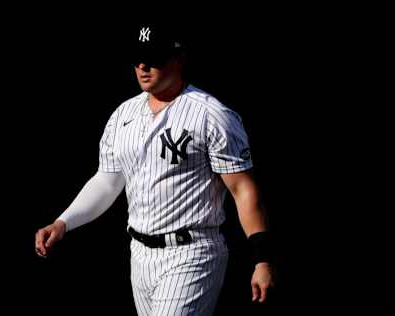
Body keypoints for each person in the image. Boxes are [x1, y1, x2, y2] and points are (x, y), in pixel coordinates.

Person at [35, 23, 276, 316]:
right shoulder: (123, 114)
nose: (142, 66)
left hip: (193, 251)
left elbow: (243, 190)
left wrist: (262, 258)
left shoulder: (212, 114)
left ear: (179, 57)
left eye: (154, 58)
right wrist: (63, 222)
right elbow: (108, 182)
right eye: (137, 58)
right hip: (139, 253)